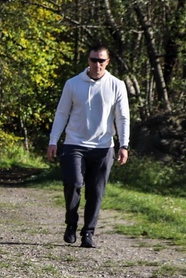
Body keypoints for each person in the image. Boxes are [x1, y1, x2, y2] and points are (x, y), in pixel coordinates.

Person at [47, 43, 130, 248]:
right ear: (88, 61)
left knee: (96, 191)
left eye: (101, 60)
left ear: (107, 62)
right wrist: (53, 141)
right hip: (74, 143)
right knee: (74, 183)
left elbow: (123, 117)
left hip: (103, 147)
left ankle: (88, 233)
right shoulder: (73, 84)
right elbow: (61, 114)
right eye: (94, 60)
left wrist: (124, 144)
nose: (97, 64)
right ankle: (71, 222)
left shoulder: (116, 85)